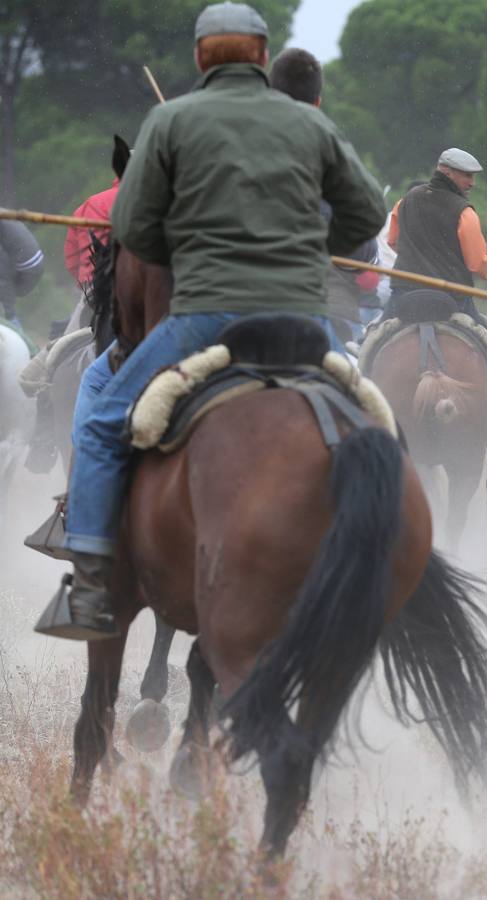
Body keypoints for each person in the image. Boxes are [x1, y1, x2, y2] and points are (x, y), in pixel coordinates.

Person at [39, 2, 387, 641]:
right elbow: (366, 218)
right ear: (263, 57)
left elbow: (132, 226)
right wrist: (309, 242)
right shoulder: (309, 124)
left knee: (97, 409)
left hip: (204, 319)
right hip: (302, 320)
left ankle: (88, 584)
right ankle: (385, 566)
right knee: (374, 421)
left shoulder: (170, 121)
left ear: (201, 58)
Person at [269, 47, 381, 343]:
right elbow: (366, 237)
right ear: (317, 102)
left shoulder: (236, 141)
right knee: (352, 372)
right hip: (326, 309)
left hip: (235, 307)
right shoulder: (331, 148)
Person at [392, 148, 487, 331]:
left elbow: (393, 241)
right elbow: (477, 264)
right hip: (453, 298)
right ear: (447, 173)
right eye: (467, 175)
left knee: (372, 335)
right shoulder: (465, 212)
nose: (472, 183)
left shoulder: (404, 201)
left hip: (405, 291)